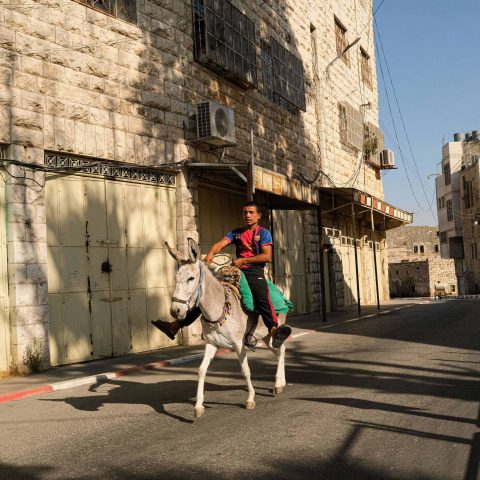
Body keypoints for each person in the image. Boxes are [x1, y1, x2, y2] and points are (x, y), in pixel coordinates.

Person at [152, 201, 292, 349]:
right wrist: (211, 254)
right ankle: (175, 326)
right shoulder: (236, 233)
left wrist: (244, 260)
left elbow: (267, 256)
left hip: (253, 270)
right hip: (235, 269)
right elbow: (219, 244)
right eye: (245, 212)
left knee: (262, 295)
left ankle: (274, 330)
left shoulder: (263, 233)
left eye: (251, 213)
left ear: (258, 215)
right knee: (208, 294)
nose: (248, 216)